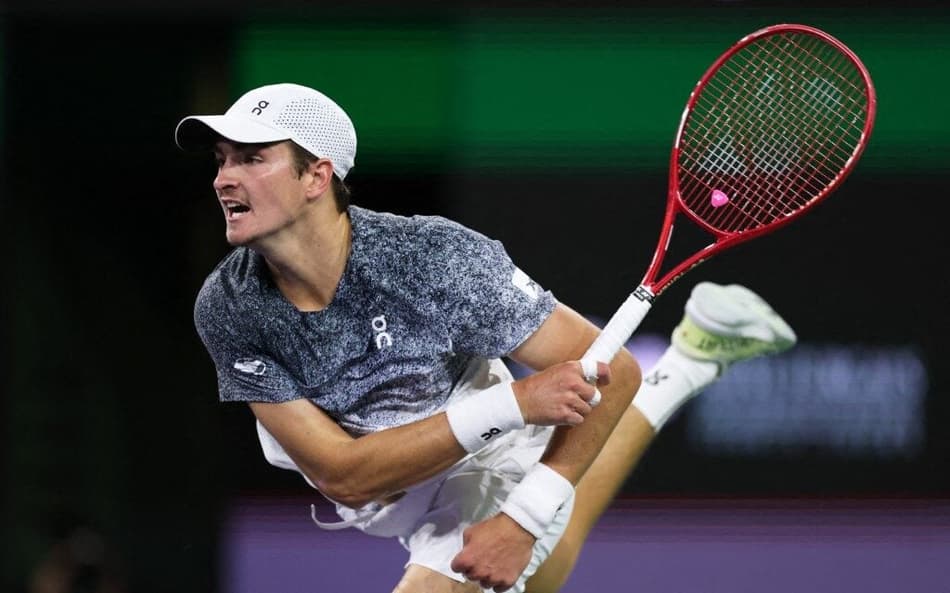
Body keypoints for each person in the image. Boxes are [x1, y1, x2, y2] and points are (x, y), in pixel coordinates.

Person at [176, 83, 796, 593]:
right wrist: (519, 404)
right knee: (545, 572)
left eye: (251, 158)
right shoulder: (228, 305)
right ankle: (691, 357)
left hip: (483, 462)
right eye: (222, 159)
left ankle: (683, 366)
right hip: (380, 487)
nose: (224, 178)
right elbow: (346, 476)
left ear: (317, 176)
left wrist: (522, 517)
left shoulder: (433, 259)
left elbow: (614, 373)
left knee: (499, 561)